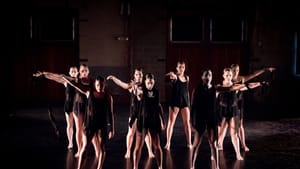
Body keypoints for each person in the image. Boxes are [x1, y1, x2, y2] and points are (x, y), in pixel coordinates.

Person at [217, 64, 275, 152]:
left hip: (236, 104)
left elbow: (249, 83)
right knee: (222, 127)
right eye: (233, 70)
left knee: (239, 126)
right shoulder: (223, 83)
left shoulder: (240, 80)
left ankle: (242, 146)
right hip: (225, 106)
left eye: (237, 70)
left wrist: (261, 79)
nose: (236, 72)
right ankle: (219, 144)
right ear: (226, 74)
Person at [106, 68, 155, 158]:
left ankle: (150, 151)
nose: (139, 76)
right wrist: (113, 78)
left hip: (144, 113)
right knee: (131, 132)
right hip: (134, 113)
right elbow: (122, 84)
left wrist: (135, 88)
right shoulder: (131, 85)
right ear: (134, 76)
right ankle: (128, 151)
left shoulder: (146, 85)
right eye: (137, 74)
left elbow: (142, 94)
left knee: (147, 133)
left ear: (142, 76)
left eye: (140, 74)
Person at [33, 66, 79, 149]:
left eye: (75, 71)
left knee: (79, 127)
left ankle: (80, 143)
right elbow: (56, 77)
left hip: (77, 106)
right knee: (70, 125)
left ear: (77, 73)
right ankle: (70, 143)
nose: (73, 73)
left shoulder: (79, 81)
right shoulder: (66, 81)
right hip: (68, 105)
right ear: (69, 72)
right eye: (71, 71)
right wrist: (44, 74)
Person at [75, 75, 115, 169]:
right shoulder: (89, 93)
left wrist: (112, 129)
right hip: (90, 124)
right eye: (97, 85)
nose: (99, 87)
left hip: (101, 124)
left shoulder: (108, 97)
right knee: (85, 147)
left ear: (104, 84)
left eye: (101, 85)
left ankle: (99, 167)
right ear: (94, 84)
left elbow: (111, 113)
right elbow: (76, 85)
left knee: (102, 148)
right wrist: (63, 77)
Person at [131, 73, 165, 169]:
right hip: (143, 121)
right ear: (145, 82)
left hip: (154, 121)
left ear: (153, 82)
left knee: (157, 146)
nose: (150, 84)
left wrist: (162, 120)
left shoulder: (156, 92)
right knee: (138, 146)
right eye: (148, 82)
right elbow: (138, 96)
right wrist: (135, 89)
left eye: (151, 82)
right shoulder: (141, 91)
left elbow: (158, 106)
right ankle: (135, 167)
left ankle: (160, 166)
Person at [190, 69, 219, 169]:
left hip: (211, 119)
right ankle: (192, 166)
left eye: (210, 75)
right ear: (202, 77)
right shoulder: (197, 90)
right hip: (200, 119)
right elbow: (192, 107)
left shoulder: (215, 89)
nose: (208, 77)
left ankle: (217, 166)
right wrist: (191, 122)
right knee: (196, 143)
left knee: (213, 143)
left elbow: (230, 88)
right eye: (206, 75)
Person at [164, 61, 192, 150]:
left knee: (187, 124)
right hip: (175, 102)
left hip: (185, 102)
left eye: (183, 67)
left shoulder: (187, 78)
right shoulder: (174, 77)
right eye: (179, 67)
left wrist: (188, 103)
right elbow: (167, 78)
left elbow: (186, 91)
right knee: (171, 123)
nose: (181, 69)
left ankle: (189, 143)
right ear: (177, 68)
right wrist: (171, 75)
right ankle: (168, 143)